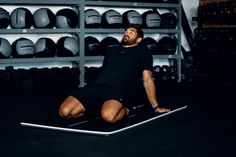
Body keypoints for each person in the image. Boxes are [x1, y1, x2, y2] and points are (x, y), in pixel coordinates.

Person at [59, 24, 170, 123]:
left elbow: (147, 80)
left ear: (139, 39)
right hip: (98, 86)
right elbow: (104, 71)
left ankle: (127, 110)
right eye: (126, 31)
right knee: (65, 112)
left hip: (119, 89)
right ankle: (97, 106)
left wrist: (156, 107)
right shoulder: (112, 50)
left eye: (132, 32)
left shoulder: (143, 52)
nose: (127, 33)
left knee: (109, 117)